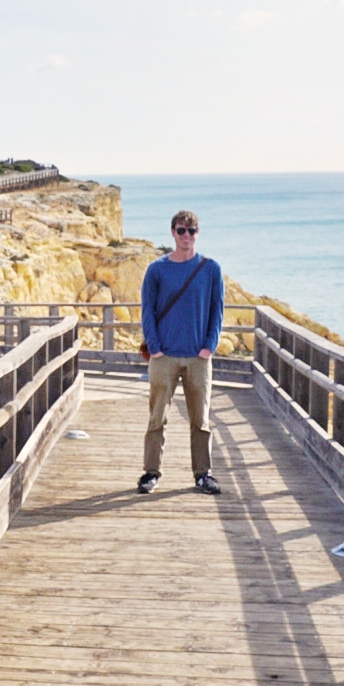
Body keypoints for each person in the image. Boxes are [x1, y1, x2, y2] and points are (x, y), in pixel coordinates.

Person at [138, 210, 224, 496]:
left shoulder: (211, 269)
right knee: (157, 417)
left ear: (198, 233)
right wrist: (156, 346)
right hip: (165, 356)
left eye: (191, 230)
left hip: (199, 358)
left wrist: (209, 346)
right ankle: (151, 473)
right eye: (181, 230)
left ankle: (203, 474)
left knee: (200, 419)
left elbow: (217, 311)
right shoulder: (157, 269)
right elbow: (147, 310)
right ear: (172, 233)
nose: (186, 235)